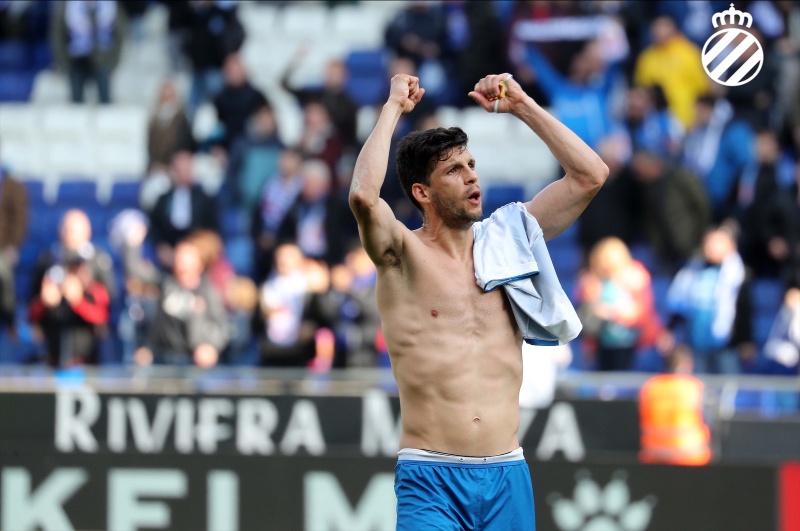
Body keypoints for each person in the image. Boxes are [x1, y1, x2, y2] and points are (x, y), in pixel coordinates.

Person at [349, 73, 607, 529]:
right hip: (430, 477)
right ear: (422, 193)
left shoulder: (509, 240)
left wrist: (522, 105)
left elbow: (591, 176)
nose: (471, 176)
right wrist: (392, 108)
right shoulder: (401, 255)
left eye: (471, 164)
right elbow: (364, 198)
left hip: (508, 473)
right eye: (453, 170)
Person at [135, 240, 228, 367]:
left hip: (191, 361)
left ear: (198, 262)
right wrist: (146, 347)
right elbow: (137, 271)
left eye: (185, 257)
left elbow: (222, 326)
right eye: (178, 256)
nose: (180, 261)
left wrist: (211, 347)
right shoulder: (166, 283)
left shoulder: (207, 292)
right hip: (160, 357)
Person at [639, 344, 712, 466]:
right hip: (690, 457)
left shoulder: (651, 387)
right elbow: (709, 420)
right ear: (685, 364)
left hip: (654, 455)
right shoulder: (695, 387)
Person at [148, 150, 220, 269]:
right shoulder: (163, 200)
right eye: (179, 169)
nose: (182, 173)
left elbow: (212, 232)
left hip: (198, 255)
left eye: (186, 169)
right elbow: (154, 228)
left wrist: (196, 252)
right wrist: (162, 247)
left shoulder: (205, 200)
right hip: (169, 255)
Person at [50, 0, 128, 104]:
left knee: (105, 101)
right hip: (75, 60)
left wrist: (113, 61)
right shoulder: (68, 6)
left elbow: (120, 34)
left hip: (103, 60)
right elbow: (58, 34)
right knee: (76, 103)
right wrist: (64, 61)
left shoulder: (110, 5)